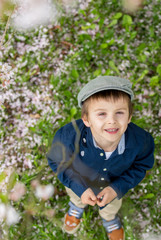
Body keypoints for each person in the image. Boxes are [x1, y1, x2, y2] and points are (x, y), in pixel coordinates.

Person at [47, 76, 155, 240]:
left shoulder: (141, 141)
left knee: (111, 205)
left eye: (119, 113)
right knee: (77, 196)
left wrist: (116, 188)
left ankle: (109, 218)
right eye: (101, 114)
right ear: (87, 119)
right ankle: (76, 207)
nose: (111, 120)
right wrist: (79, 188)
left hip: (113, 182)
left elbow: (141, 166)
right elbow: (59, 163)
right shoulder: (68, 137)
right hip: (78, 180)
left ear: (130, 117)